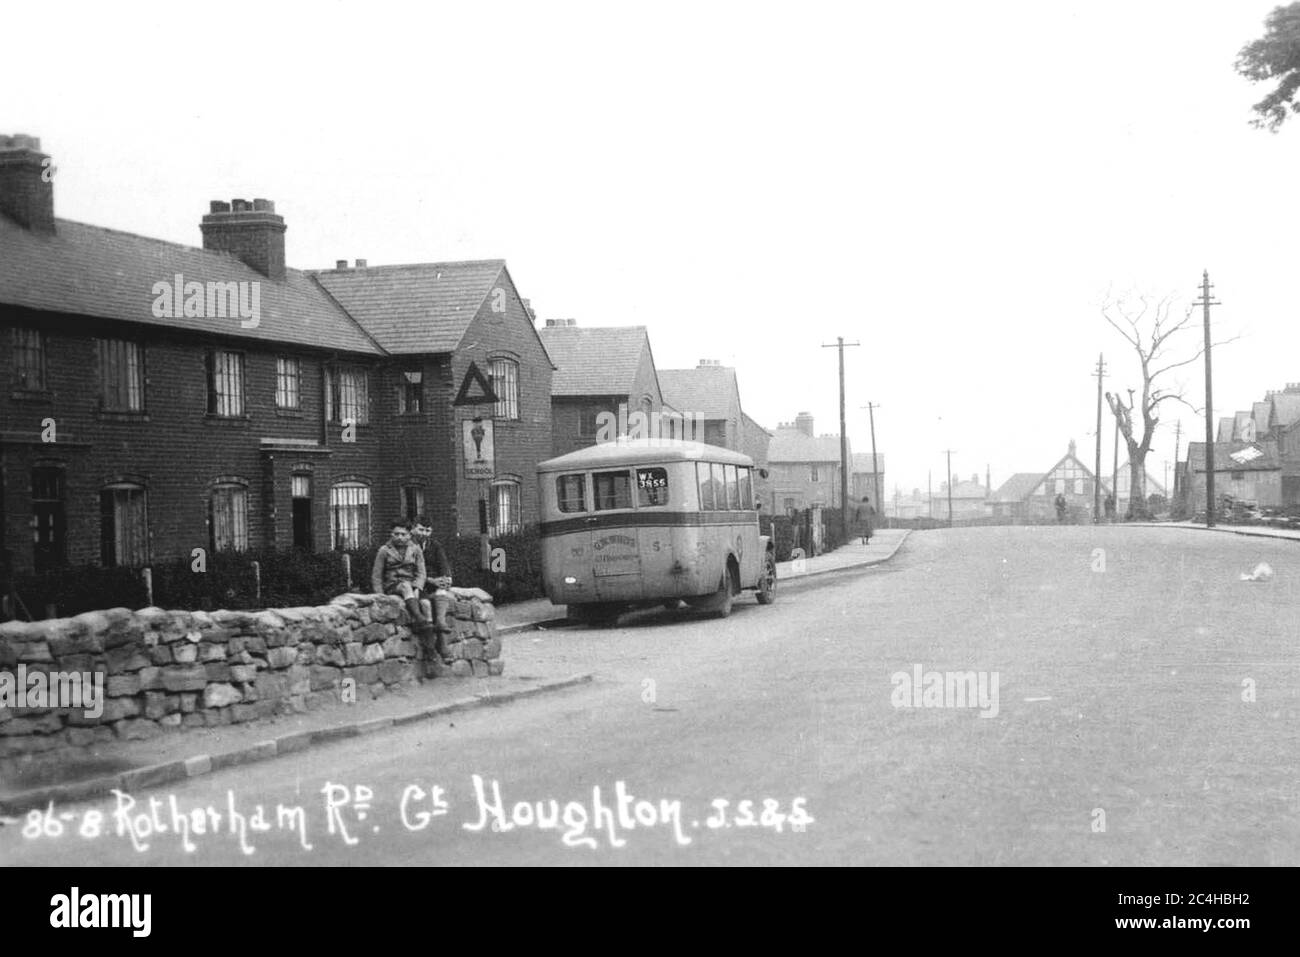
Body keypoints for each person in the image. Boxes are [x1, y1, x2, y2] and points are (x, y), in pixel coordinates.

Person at [371, 519, 441, 669]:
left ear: (409, 535)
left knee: (426, 604)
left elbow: (421, 572)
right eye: (396, 534)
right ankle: (420, 620)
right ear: (391, 534)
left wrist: (418, 587)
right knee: (405, 586)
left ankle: (430, 652)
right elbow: (376, 576)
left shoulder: (415, 549)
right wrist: (380, 596)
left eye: (403, 534)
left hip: (413, 585)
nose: (400, 537)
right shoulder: (384, 550)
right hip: (393, 585)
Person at [411, 516, 454, 666]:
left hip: (434, 584)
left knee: (441, 594)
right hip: (418, 585)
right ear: (413, 529)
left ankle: (441, 624)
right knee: (427, 605)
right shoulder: (409, 546)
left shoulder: (434, 545)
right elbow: (411, 572)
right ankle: (439, 648)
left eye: (427, 531)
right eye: (421, 529)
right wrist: (431, 580)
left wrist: (447, 578)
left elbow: (444, 564)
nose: (424, 534)